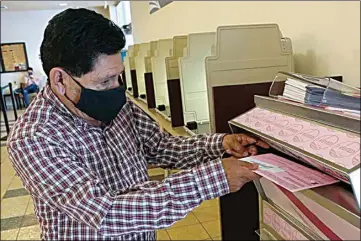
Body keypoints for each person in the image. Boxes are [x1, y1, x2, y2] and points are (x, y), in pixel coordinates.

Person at [7, 9, 269, 241]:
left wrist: (221, 143)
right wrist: (215, 178)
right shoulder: (35, 138)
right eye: (105, 81)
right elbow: (106, 213)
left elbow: (163, 147)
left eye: (118, 77)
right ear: (60, 79)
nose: (116, 89)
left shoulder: (120, 108)